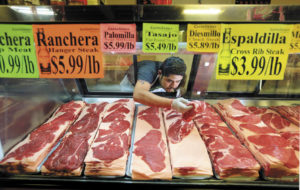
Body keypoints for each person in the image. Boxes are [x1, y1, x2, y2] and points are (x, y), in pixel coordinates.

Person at [120, 56, 193, 113]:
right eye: (169, 81)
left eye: (177, 81)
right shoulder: (148, 71)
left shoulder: (178, 74)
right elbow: (138, 95)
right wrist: (172, 103)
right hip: (131, 85)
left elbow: (181, 89)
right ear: (160, 73)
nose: (174, 86)